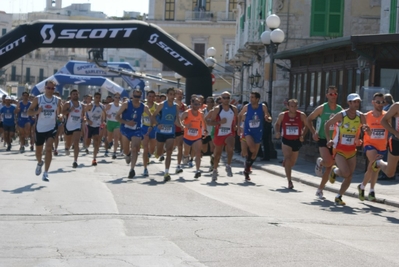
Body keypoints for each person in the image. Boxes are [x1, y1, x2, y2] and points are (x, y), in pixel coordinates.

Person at [325, 93, 367, 206]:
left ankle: (339, 196)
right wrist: (329, 139)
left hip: (351, 149)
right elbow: (327, 124)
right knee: (346, 173)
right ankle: (334, 171)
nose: (356, 104)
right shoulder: (342, 115)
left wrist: (360, 138)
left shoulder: (361, 116)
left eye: (358, 101)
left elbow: (365, 129)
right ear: (349, 103)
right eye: (354, 102)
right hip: (339, 148)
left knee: (349, 176)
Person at [306, 85, 343, 199]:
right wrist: (314, 132)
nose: (333, 96)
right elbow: (308, 119)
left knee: (329, 166)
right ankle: (320, 162)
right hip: (323, 139)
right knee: (328, 162)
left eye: (335, 94)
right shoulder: (322, 108)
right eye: (331, 94)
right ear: (327, 95)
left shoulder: (339, 109)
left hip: (335, 141)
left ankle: (320, 189)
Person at [27, 80, 61, 181]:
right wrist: (37, 111)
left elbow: (60, 112)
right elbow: (29, 112)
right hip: (40, 128)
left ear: (54, 89)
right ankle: (40, 162)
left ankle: (46, 173)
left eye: (52, 88)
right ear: (45, 88)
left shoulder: (57, 100)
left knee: (49, 148)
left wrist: (60, 115)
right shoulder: (38, 99)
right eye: (48, 88)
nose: (50, 90)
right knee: (38, 152)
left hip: (51, 127)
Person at [357, 93, 387, 202]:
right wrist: (358, 138)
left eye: (382, 102)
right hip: (369, 144)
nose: (380, 104)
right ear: (373, 102)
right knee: (375, 162)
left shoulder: (387, 116)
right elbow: (358, 128)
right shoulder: (366, 116)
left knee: (374, 168)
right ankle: (370, 191)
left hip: (382, 146)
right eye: (378, 102)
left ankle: (366, 188)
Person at [116, 89, 153, 178]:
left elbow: (151, 116)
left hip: (136, 129)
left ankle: (132, 169)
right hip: (125, 129)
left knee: (135, 148)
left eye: (138, 96)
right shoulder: (126, 104)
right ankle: (127, 154)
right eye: (135, 96)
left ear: (141, 97)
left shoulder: (143, 106)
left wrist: (151, 125)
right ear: (132, 96)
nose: (136, 98)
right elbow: (117, 116)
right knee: (126, 149)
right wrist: (126, 122)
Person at [151, 88, 184, 181]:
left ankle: (166, 172)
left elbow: (177, 119)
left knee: (169, 151)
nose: (172, 96)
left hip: (170, 131)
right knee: (159, 153)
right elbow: (153, 116)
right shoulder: (162, 105)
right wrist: (158, 124)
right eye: (170, 94)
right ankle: (157, 150)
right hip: (161, 131)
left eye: (174, 94)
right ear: (167, 95)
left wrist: (181, 125)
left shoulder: (176, 106)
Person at [238, 92, 272, 181]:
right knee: (252, 148)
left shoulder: (263, 107)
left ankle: (247, 167)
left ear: (257, 99)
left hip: (258, 132)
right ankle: (247, 164)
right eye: (250, 97)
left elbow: (268, 117)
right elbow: (239, 115)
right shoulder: (247, 107)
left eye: (252, 97)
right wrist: (238, 127)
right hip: (248, 131)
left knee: (254, 154)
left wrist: (267, 119)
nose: (251, 99)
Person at [274, 99, 307, 189]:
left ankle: (287, 163)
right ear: (288, 107)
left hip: (296, 140)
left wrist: (302, 134)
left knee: (292, 162)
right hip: (286, 140)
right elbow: (277, 124)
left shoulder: (301, 115)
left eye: (295, 106)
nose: (294, 108)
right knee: (288, 158)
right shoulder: (283, 115)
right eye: (292, 106)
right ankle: (289, 181)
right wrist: (277, 132)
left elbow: (306, 126)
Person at [209, 91, 238, 181]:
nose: (226, 100)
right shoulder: (217, 109)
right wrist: (219, 122)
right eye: (224, 98)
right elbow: (210, 122)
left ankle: (228, 165)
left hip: (229, 132)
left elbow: (236, 120)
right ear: (221, 99)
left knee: (230, 148)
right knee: (217, 154)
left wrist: (236, 126)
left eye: (228, 98)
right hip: (219, 133)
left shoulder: (234, 109)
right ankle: (214, 170)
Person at [372, 100, 399, 180]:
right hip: (396, 142)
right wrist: (395, 133)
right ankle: (379, 162)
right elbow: (383, 121)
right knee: (390, 173)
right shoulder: (397, 106)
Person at [181, 97, 205, 178]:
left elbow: (203, 123)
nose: (197, 106)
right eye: (195, 104)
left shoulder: (201, 113)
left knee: (198, 153)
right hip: (187, 137)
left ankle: (198, 170)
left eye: (199, 104)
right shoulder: (187, 113)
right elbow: (180, 121)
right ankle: (185, 157)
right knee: (186, 152)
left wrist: (205, 131)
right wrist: (185, 125)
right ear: (191, 104)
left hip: (197, 137)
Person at [62, 89, 85, 168]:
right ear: (71, 96)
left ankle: (75, 161)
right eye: (73, 94)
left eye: (76, 94)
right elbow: (62, 113)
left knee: (76, 143)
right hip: (68, 125)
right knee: (69, 143)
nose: (75, 95)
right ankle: (67, 147)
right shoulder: (68, 104)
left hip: (77, 125)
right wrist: (69, 110)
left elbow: (83, 114)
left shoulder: (82, 105)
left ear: (78, 95)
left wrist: (84, 119)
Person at [85, 92, 105, 166]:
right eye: (96, 97)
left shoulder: (102, 106)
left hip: (97, 125)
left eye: (99, 97)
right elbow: (83, 113)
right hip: (89, 125)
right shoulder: (90, 105)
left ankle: (94, 158)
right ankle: (86, 147)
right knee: (88, 142)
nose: (98, 99)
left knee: (96, 141)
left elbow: (102, 116)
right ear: (94, 98)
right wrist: (87, 120)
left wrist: (102, 123)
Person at [141, 90, 158, 176]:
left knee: (151, 149)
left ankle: (149, 154)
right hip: (144, 128)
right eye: (149, 96)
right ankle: (145, 169)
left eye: (152, 96)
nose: (151, 98)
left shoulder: (157, 106)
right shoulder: (143, 106)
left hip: (154, 128)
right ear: (147, 97)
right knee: (145, 148)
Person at [174, 89, 187, 173]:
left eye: (181, 94)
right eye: (178, 94)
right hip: (171, 128)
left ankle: (178, 165)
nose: (179, 95)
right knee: (171, 147)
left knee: (180, 146)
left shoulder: (184, 106)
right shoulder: (172, 105)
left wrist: (183, 124)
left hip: (180, 128)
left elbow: (186, 117)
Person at [105, 93, 122, 158]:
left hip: (117, 123)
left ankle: (114, 152)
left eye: (118, 97)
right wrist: (107, 115)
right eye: (116, 97)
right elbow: (104, 111)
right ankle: (109, 142)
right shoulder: (110, 105)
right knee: (109, 138)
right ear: (114, 98)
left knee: (116, 138)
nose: (117, 99)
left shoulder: (121, 106)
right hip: (110, 122)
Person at [202, 96, 215, 171]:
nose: (209, 103)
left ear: (213, 103)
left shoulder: (215, 111)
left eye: (211, 102)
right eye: (208, 102)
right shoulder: (203, 111)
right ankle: (201, 153)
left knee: (212, 149)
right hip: (205, 132)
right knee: (204, 149)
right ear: (206, 103)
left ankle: (212, 164)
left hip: (213, 132)